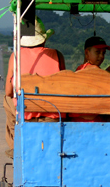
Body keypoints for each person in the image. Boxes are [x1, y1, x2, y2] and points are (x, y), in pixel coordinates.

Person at [4, 20, 65, 156]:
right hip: (53, 112)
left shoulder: (15, 56)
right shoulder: (57, 55)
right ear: (43, 40)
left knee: (6, 99)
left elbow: (8, 91)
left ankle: (15, 144)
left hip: (26, 112)